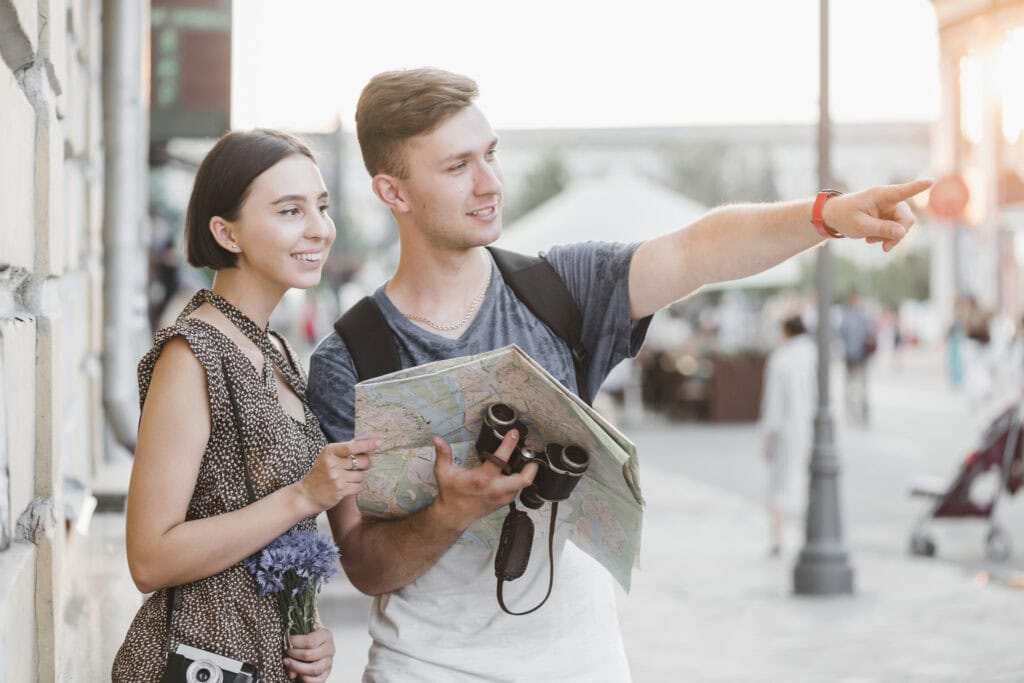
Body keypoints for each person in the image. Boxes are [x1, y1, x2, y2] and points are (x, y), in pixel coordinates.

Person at [306, 68, 931, 682]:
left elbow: (697, 249)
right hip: (424, 668)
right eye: (457, 166)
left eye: (490, 154)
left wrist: (826, 215)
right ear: (393, 192)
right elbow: (363, 563)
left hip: (580, 662)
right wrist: (448, 512)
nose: (490, 183)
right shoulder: (348, 358)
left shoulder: (559, 290)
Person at [112, 130, 381, 682]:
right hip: (194, 664)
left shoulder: (274, 350)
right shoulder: (192, 354)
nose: (318, 229)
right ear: (226, 231)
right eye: (289, 210)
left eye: (321, 207)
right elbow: (149, 558)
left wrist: (307, 630)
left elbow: (267, 536)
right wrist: (305, 494)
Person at [759, 314, 817, 557]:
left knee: (778, 487)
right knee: (807, 483)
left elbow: (772, 402)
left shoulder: (780, 359)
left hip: (784, 430)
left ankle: (778, 538)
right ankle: (807, 535)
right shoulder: (814, 354)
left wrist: (767, 435)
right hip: (811, 428)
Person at [838, 292, 877, 425]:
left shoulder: (847, 316)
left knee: (852, 387)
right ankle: (860, 412)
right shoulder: (864, 316)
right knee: (860, 386)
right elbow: (871, 333)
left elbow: (841, 334)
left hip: (852, 356)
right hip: (860, 356)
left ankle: (854, 412)